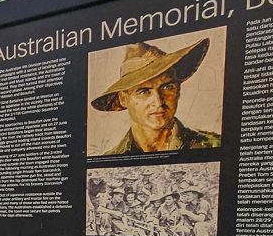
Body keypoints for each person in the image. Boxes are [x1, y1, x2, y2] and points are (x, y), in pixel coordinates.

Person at [92, 38, 221, 155]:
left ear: (178, 90)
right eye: (144, 91)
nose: (158, 101)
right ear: (123, 99)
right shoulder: (112, 157)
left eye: (167, 87)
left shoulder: (213, 146)